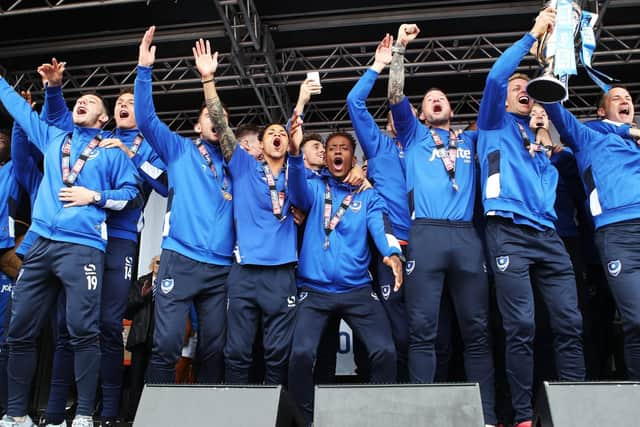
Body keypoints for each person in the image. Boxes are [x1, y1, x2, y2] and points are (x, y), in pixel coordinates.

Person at [0, 72, 141, 427]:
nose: (84, 102)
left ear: (103, 118)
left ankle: (81, 414)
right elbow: (20, 110)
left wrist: (94, 197)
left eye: (92, 102)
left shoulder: (112, 152)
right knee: (20, 329)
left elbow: (131, 195)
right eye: (82, 99)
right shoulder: (54, 137)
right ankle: (15, 413)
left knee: (82, 330)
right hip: (41, 244)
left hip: (83, 248)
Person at [36, 59, 167, 427]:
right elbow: (57, 134)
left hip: (120, 239)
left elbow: (163, 185)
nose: (126, 104)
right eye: (120, 100)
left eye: (131, 101)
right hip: (80, 238)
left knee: (108, 325)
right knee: (67, 326)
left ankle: (108, 412)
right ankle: (58, 407)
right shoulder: (88, 138)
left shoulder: (145, 146)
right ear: (109, 115)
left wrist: (131, 154)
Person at [476, 8, 585, 426]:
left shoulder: (540, 134)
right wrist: (533, 34)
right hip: (507, 231)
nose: (523, 90)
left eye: (527, 87)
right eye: (517, 87)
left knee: (570, 323)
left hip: (548, 234)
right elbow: (494, 78)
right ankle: (522, 416)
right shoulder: (492, 122)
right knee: (521, 325)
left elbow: (557, 100)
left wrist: (544, 133)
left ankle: (574, 407)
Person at [387, 25, 496, 425]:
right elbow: (395, 94)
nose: (436, 101)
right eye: (429, 99)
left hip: (466, 234)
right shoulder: (414, 135)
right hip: (427, 233)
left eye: (442, 98)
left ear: (452, 110)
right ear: (419, 113)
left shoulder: (470, 140)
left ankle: (485, 415)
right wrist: (399, 48)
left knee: (477, 329)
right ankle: (422, 416)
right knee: (423, 330)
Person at [193, 38, 298, 385]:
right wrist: (209, 80)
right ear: (259, 143)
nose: (276, 136)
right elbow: (222, 126)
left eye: (281, 132)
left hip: (282, 273)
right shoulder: (242, 166)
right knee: (236, 353)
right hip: (245, 272)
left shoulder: (296, 172)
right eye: (270, 133)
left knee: (277, 355)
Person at [136, 26, 233, 385]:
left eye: (220, 116)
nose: (215, 118)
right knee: (166, 344)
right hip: (181, 258)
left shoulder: (237, 165)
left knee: (213, 348)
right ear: (197, 124)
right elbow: (146, 120)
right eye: (209, 114)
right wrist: (144, 70)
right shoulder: (180, 149)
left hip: (220, 268)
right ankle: (155, 415)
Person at [287, 127, 403, 425]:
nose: (338, 151)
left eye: (344, 148)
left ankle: (378, 416)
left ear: (353, 157)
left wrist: (392, 253)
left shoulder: (368, 195)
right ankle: (306, 419)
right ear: (325, 158)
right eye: (332, 148)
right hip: (314, 291)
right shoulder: (314, 187)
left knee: (385, 352)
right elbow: (296, 189)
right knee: (300, 355)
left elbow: (381, 227)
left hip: (357, 290)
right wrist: (296, 154)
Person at [544, 85, 640, 380]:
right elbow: (555, 107)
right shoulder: (590, 135)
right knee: (636, 320)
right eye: (616, 98)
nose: (625, 101)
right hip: (617, 233)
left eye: (628, 99)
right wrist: (547, 70)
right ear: (601, 110)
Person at [346, 33, 412, 381]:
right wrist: (378, 65)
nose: (401, 118)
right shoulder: (380, 146)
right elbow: (355, 102)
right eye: (395, 114)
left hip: (429, 246)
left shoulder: (423, 148)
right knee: (392, 330)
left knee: (433, 331)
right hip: (389, 246)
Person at [123, 255, 158, 421]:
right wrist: (142, 297)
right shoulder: (141, 282)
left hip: (158, 339)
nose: (160, 265)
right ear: (152, 264)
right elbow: (127, 309)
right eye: (158, 262)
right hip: (140, 337)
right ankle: (132, 415)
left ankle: (150, 416)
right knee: (135, 379)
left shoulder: (170, 283)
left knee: (153, 379)